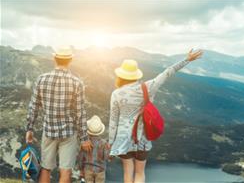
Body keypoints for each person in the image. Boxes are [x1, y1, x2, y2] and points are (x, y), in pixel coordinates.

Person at [109, 49, 203, 183]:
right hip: (142, 137)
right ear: (136, 75)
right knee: (140, 173)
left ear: (121, 76)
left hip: (123, 138)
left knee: (127, 171)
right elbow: (168, 72)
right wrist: (187, 60)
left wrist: (111, 142)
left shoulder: (116, 94)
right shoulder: (147, 87)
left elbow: (113, 120)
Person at [25, 46, 93, 183]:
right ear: (70, 60)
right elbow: (80, 113)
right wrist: (84, 138)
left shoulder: (41, 79)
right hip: (68, 133)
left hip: (49, 131)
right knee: (65, 170)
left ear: (54, 58)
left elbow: (33, 106)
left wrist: (30, 129)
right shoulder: (77, 83)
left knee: (45, 168)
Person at [77, 115, 110, 183]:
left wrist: (81, 169)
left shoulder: (85, 144)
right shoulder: (104, 143)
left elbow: (80, 158)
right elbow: (106, 157)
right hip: (100, 170)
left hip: (88, 170)